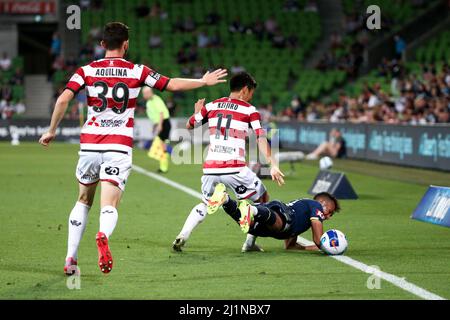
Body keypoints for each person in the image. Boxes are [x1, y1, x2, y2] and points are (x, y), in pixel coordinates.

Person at [38, 22, 228, 276]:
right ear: (126, 45)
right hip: (117, 145)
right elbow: (171, 84)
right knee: (110, 204)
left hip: (90, 145)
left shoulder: (86, 71)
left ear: (103, 44)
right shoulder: (137, 71)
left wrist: (52, 130)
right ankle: (103, 234)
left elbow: (63, 98)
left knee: (83, 200)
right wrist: (203, 82)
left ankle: (70, 258)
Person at [172, 72, 285, 252]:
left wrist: (196, 113)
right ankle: (249, 243)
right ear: (245, 90)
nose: (251, 97)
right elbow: (260, 137)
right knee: (262, 199)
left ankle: (183, 234)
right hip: (235, 169)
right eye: (251, 93)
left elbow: (189, 125)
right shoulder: (250, 110)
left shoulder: (212, 105)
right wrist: (273, 163)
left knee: (205, 202)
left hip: (210, 168)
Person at [210, 183, 340, 251]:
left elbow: (290, 246)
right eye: (330, 212)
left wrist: (307, 248)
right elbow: (319, 240)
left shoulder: (303, 215)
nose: (328, 217)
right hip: (280, 214)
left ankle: (226, 200)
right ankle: (252, 209)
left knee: (250, 226)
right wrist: (332, 247)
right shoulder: (316, 205)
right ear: (322, 203)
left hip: (272, 222)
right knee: (282, 225)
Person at [142, 87, 171, 173]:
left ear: (149, 92)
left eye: (145, 93)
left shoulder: (156, 99)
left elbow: (161, 113)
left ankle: (164, 167)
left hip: (164, 123)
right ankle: (163, 166)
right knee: (162, 144)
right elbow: (155, 116)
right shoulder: (150, 102)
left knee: (162, 144)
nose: (144, 95)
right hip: (161, 123)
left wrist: (160, 125)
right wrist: (155, 125)